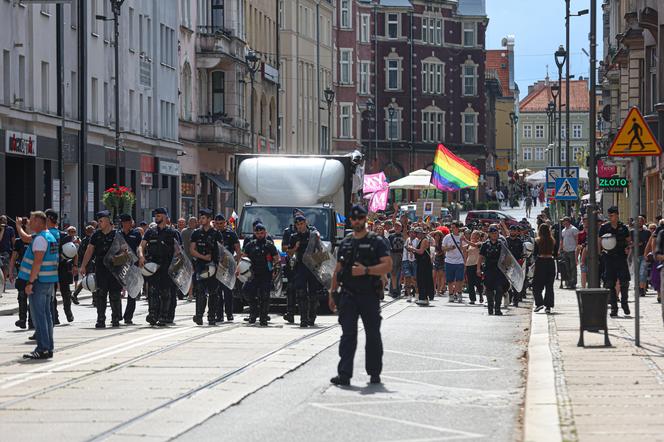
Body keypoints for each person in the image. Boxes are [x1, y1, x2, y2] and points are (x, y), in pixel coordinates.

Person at [328, 205, 391, 386]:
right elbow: (337, 270)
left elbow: (387, 266)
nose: (357, 221)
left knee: (372, 335)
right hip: (348, 295)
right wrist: (332, 293)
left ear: (365, 219)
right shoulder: (346, 242)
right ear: (350, 221)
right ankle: (344, 374)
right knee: (348, 335)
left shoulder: (376, 242)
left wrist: (366, 270)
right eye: (354, 218)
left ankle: (374, 373)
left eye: (360, 218)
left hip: (369, 295)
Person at [17, 211, 58, 359]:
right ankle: (48, 347)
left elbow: (37, 262)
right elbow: (26, 236)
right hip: (48, 281)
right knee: (46, 316)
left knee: (39, 317)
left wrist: (30, 282)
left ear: (40, 222)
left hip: (39, 282)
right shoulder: (49, 236)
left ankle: (43, 348)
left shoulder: (41, 239)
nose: (30, 223)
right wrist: (19, 226)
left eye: (32, 221)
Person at [79, 211, 122, 328]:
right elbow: (89, 250)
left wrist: (119, 258)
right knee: (101, 294)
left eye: (101, 220)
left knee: (115, 295)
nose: (99, 223)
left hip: (114, 269)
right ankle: (101, 319)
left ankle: (115, 318)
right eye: (98, 221)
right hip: (101, 269)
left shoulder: (117, 235)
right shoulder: (96, 235)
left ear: (108, 220)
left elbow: (125, 252)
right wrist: (83, 265)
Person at [138, 208, 181, 325]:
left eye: (159, 216)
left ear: (165, 217)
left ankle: (164, 316)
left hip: (167, 265)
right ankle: (152, 315)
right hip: (152, 265)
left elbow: (179, 251)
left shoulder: (173, 232)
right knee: (152, 291)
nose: (156, 217)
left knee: (166, 292)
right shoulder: (150, 232)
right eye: (155, 216)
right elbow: (141, 246)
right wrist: (141, 256)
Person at [288, 213, 323, 327]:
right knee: (301, 293)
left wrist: (319, 264)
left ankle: (311, 318)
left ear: (306, 223)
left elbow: (320, 250)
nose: (300, 226)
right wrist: (295, 248)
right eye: (297, 224)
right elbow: (289, 253)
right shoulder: (294, 237)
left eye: (301, 223)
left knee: (313, 294)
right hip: (301, 267)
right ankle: (303, 319)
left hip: (312, 267)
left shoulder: (313, 235)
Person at [241, 223, 280, 325]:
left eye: (262, 233)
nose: (259, 235)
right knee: (246, 291)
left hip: (266, 274)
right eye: (257, 233)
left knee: (265, 296)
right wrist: (240, 269)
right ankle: (254, 311)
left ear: (265, 233)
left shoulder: (269, 245)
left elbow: (277, 259)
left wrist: (276, 270)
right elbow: (244, 259)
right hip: (253, 274)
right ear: (254, 233)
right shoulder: (250, 245)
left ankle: (263, 317)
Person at [189, 209, 220, 325]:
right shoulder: (196, 233)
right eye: (200, 218)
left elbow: (221, 250)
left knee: (213, 292)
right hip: (201, 266)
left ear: (208, 219)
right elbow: (192, 250)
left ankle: (211, 316)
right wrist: (203, 257)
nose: (200, 220)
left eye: (203, 218)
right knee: (200, 291)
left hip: (214, 266)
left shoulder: (216, 233)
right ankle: (199, 315)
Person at [599, 206, 631, 317]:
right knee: (609, 283)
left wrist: (628, 248)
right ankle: (614, 308)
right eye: (609, 215)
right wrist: (600, 255)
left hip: (621, 257)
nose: (610, 217)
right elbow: (600, 242)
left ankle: (624, 303)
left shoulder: (623, 228)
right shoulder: (604, 227)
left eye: (612, 215)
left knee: (624, 282)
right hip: (609, 258)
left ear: (617, 215)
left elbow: (628, 241)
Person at [118, 214, 142, 325]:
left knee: (132, 293)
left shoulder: (136, 234)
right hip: (120, 265)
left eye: (128, 222)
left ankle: (128, 317)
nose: (126, 224)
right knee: (116, 292)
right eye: (124, 222)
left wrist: (141, 257)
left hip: (133, 265)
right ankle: (117, 315)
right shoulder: (118, 234)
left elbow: (140, 247)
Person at [477, 225, 506, 316]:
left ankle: (497, 308)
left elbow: (507, 257)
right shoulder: (485, 244)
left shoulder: (501, 244)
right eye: (492, 233)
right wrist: (478, 269)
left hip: (499, 270)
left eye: (496, 233)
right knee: (489, 289)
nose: (494, 235)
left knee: (499, 289)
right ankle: (490, 308)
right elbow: (480, 257)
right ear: (489, 234)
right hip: (488, 270)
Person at [216, 214, 240, 321]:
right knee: (217, 292)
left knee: (228, 292)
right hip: (216, 266)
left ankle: (229, 313)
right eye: (217, 223)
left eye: (221, 223)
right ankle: (219, 315)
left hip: (228, 266)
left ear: (225, 223)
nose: (219, 225)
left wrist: (235, 264)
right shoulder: (213, 234)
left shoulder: (231, 234)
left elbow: (238, 251)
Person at [8, 230, 32, 329]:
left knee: (33, 298)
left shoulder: (36, 239)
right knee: (21, 296)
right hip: (22, 273)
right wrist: (11, 272)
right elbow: (13, 258)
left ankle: (32, 321)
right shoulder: (19, 242)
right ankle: (22, 319)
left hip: (34, 273)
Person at [532, 223, 556, 313]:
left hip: (540, 262)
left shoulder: (537, 240)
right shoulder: (553, 241)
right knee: (549, 286)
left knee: (536, 285)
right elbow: (556, 254)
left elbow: (535, 254)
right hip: (550, 262)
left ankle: (539, 303)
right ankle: (548, 306)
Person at [442, 222, 466, 303]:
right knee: (450, 280)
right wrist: (449, 248)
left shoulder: (462, 237)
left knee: (459, 279)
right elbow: (443, 248)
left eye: (454, 227)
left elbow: (465, 249)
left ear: (458, 228)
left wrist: (465, 261)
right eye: (451, 227)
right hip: (449, 261)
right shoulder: (447, 237)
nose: (452, 229)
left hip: (459, 261)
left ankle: (459, 294)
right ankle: (451, 295)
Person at [410, 227, 434, 306]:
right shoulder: (422, 240)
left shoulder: (424, 240)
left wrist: (412, 248)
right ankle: (423, 298)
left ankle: (423, 298)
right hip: (422, 263)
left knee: (423, 280)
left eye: (417, 233)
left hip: (424, 264)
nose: (416, 235)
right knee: (421, 279)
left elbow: (421, 252)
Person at [180, 217, 198, 302]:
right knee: (193, 276)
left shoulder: (183, 231)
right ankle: (191, 294)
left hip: (185, 257)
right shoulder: (195, 232)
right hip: (194, 257)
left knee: (187, 276)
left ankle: (188, 293)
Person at [464, 230, 484, 305]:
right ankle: (472, 299)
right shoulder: (468, 245)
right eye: (472, 234)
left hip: (477, 265)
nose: (473, 236)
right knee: (470, 283)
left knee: (478, 282)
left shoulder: (480, 243)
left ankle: (481, 295)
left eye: (475, 235)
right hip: (469, 264)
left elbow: (475, 245)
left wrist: (465, 240)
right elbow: (464, 252)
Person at [559, 217, 579, 289]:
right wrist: (560, 249)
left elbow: (577, 240)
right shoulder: (563, 230)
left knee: (573, 267)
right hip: (565, 251)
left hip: (572, 250)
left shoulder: (574, 229)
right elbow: (562, 240)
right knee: (566, 267)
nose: (563, 223)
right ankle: (568, 282)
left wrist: (577, 250)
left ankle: (573, 282)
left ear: (567, 221)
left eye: (564, 221)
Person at [635, 216, 651, 297]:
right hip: (635, 255)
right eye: (638, 221)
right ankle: (640, 288)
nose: (639, 222)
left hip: (644, 255)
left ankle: (641, 289)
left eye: (641, 221)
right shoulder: (632, 232)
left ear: (643, 222)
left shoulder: (647, 232)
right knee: (637, 273)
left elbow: (650, 243)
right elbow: (629, 242)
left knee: (643, 272)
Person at [0, 214, 16, 291]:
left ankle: (4, 283)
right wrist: (2, 229)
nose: (4, 222)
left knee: (5, 267)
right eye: (2, 220)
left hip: (6, 251)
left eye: (5, 220)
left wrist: (14, 249)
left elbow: (13, 240)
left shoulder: (10, 229)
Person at [402, 228, 418, 302]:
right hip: (407, 260)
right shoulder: (407, 240)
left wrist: (412, 249)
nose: (411, 234)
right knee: (407, 278)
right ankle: (409, 295)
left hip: (415, 260)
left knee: (415, 279)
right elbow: (406, 248)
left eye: (413, 233)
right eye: (410, 232)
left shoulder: (417, 240)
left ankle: (417, 295)